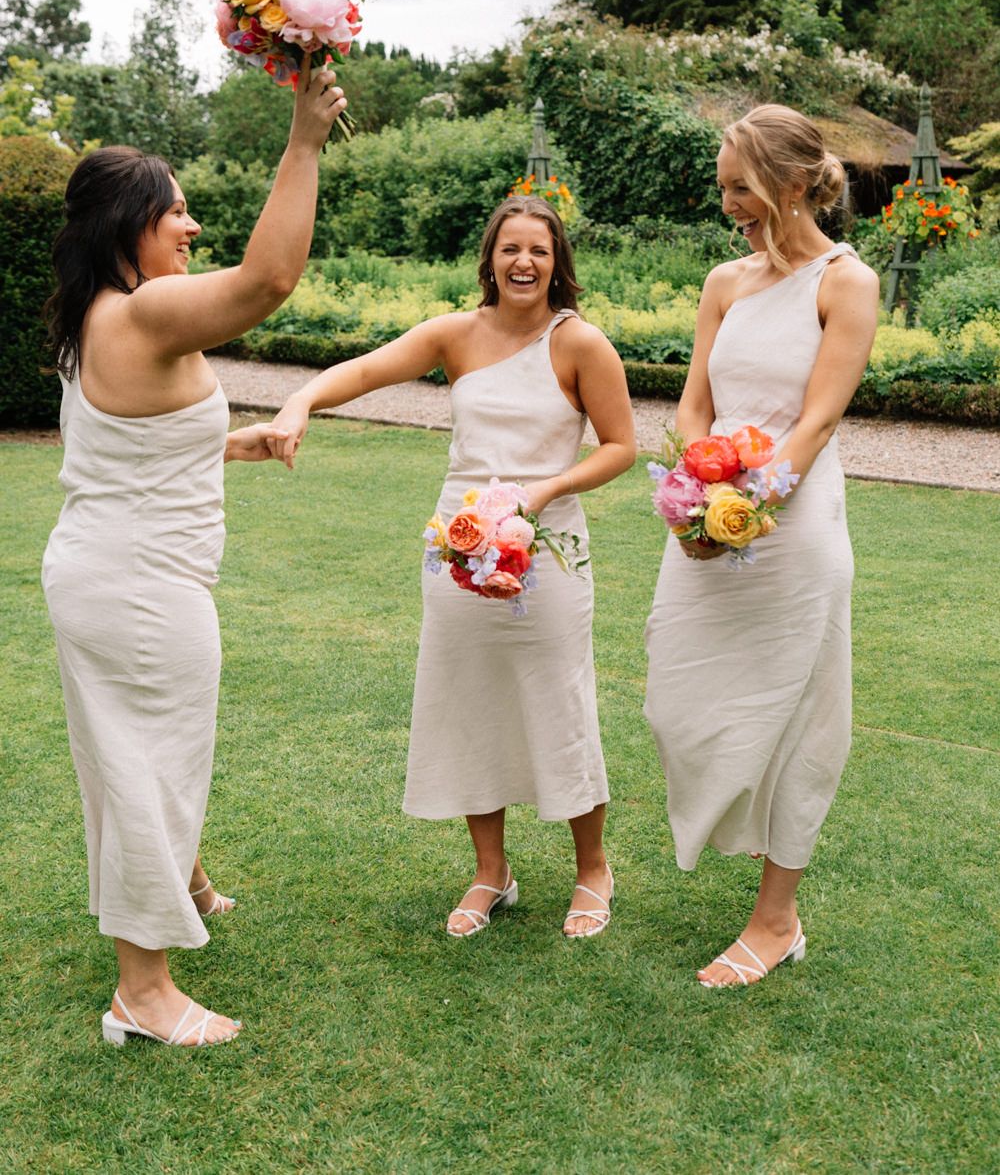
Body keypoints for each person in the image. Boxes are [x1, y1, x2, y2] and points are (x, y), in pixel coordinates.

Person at [42, 58, 346, 1046]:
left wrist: (230, 442)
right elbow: (270, 280)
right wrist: (303, 138)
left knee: (132, 758)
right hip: (138, 585)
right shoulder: (144, 312)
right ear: (129, 222)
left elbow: (121, 445)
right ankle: (144, 992)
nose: (191, 226)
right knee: (150, 765)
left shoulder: (100, 319)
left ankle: (183, 880)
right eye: (175, 212)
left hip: (103, 564)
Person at [268, 196, 636, 937]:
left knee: (559, 703)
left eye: (538, 249)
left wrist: (545, 490)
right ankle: (490, 872)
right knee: (468, 704)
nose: (523, 262)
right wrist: (302, 399)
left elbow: (621, 446)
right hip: (458, 544)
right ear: (489, 260)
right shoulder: (455, 334)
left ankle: (592, 871)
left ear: (558, 262)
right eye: (510, 249)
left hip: (548, 550)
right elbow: (369, 370)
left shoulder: (581, 344)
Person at [644, 104, 879, 987]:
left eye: (740, 187)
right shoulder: (723, 282)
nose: (729, 203)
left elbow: (818, 419)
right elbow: (695, 406)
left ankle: (776, 919)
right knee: (675, 699)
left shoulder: (844, 281)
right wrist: (693, 510)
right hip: (705, 513)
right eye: (723, 189)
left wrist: (746, 507)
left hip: (793, 522)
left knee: (800, 715)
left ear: (790, 181)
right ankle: (750, 864)